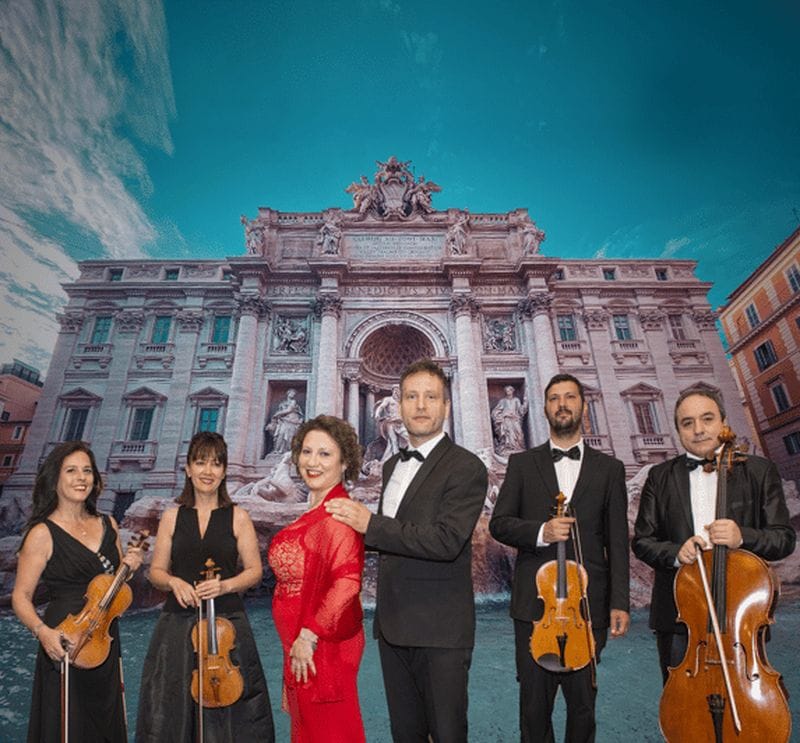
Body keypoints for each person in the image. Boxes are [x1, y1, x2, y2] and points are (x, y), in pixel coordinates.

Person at [326, 358, 487, 743]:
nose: (419, 405)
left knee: (448, 736)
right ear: (398, 406)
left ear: (446, 406)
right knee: (405, 736)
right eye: (411, 396)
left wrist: (370, 525)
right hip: (394, 626)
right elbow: (388, 538)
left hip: (441, 630)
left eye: (430, 397)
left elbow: (447, 540)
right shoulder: (392, 465)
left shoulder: (466, 468)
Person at [489, 373, 630, 743]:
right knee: (534, 709)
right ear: (544, 407)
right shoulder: (521, 463)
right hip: (535, 608)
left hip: (589, 606)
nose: (562, 404)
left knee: (584, 706)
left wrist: (619, 602)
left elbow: (617, 541)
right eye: (554, 398)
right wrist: (540, 532)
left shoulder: (610, 469)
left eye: (570, 397)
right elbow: (499, 524)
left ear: (582, 404)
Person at [632, 388, 796, 684]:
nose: (698, 430)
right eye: (687, 422)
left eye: (707, 419)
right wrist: (674, 552)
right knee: (683, 712)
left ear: (723, 420)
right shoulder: (660, 476)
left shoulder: (759, 471)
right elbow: (642, 541)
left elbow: (783, 538)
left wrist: (742, 536)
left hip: (740, 616)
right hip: (678, 613)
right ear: (678, 430)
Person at [136, 431, 274, 742]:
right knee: (171, 708)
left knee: (232, 711)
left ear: (224, 470)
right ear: (187, 468)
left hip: (227, 625)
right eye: (200, 463)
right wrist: (173, 582)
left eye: (215, 464)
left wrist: (225, 586)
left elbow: (254, 571)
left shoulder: (239, 516)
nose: (207, 471)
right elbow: (155, 571)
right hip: (177, 626)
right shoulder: (172, 517)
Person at [12, 440, 144, 742]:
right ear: (55, 478)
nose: (81, 477)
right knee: (67, 725)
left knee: (105, 721)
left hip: (105, 639)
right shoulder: (42, 533)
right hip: (64, 636)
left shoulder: (108, 524)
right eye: (71, 470)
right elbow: (21, 597)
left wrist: (130, 567)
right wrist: (42, 632)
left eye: (87, 470)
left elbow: (113, 586)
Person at [267, 415, 366, 742]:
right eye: (307, 452)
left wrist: (308, 637)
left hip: (320, 647)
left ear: (344, 461)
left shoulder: (338, 512)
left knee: (328, 733)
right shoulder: (315, 511)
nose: (312, 461)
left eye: (325, 454)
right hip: (300, 644)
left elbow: (347, 583)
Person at [491, 385, 528, 455]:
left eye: (509, 390)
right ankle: (507, 447)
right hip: (506, 420)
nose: (508, 392)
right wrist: (504, 414)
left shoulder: (516, 400)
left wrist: (525, 402)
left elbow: (521, 411)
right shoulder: (503, 401)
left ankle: (518, 448)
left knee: (519, 433)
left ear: (512, 391)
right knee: (507, 434)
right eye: (507, 391)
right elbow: (494, 412)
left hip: (515, 420)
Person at [266, 388, 304, 455]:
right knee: (280, 434)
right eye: (291, 393)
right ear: (288, 393)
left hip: (292, 420)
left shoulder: (293, 402)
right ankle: (277, 450)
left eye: (294, 394)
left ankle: (287, 452)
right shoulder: (282, 403)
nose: (292, 395)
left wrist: (277, 414)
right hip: (283, 421)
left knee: (289, 436)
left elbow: (289, 410)